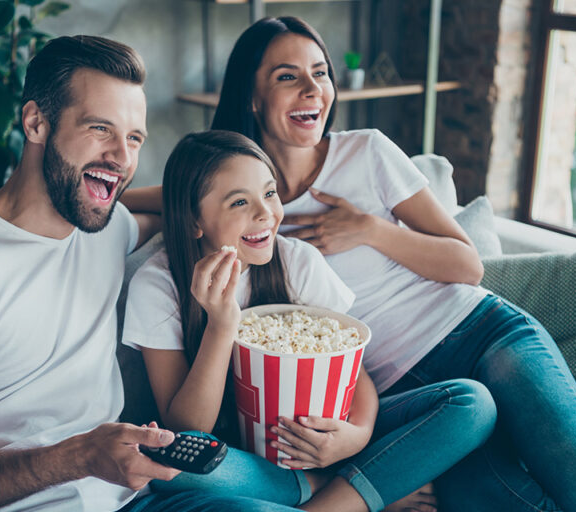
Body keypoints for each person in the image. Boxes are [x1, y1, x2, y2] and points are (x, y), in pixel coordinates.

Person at [208, 15, 576, 512]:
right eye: (287, 76)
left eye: (321, 73)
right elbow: (168, 196)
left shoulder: (367, 150)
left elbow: (467, 264)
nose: (312, 90)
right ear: (251, 96)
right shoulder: (241, 204)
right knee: (505, 501)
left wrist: (370, 229)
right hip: (416, 395)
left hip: (479, 332)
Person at [0, 35, 300, 512]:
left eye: (134, 138)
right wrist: (75, 458)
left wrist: (256, 204)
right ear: (35, 122)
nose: (122, 158)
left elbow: (187, 203)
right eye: (100, 129)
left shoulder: (107, 228)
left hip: (129, 500)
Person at [121, 130, 497, 512]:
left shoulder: (298, 261)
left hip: (329, 440)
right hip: (238, 458)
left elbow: (352, 369)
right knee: (174, 463)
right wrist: (221, 326)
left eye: (269, 193)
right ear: (193, 220)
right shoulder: (158, 285)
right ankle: (346, 491)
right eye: (239, 202)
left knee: (473, 404)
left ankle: (331, 492)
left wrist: (357, 435)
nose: (265, 214)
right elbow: (188, 429)